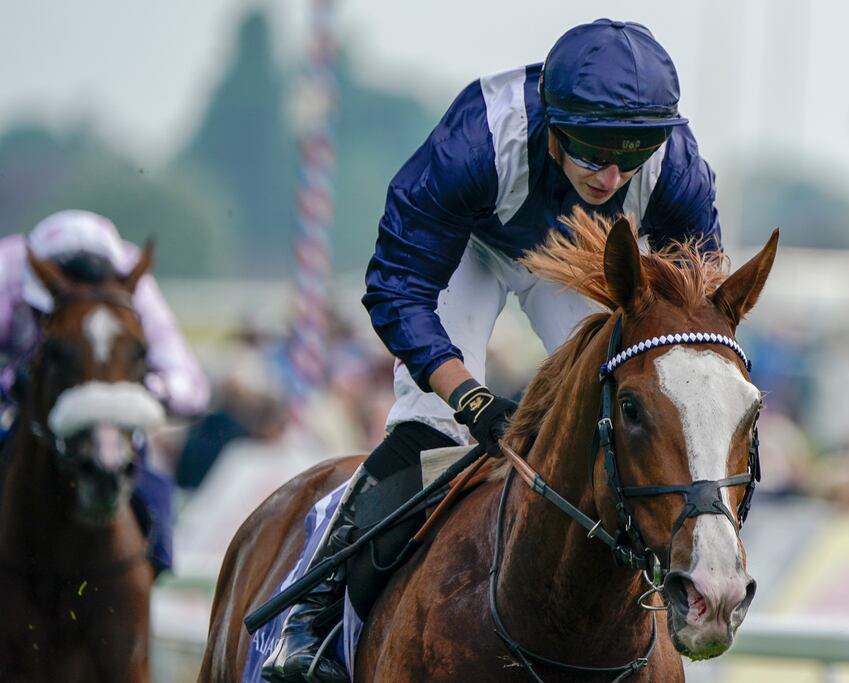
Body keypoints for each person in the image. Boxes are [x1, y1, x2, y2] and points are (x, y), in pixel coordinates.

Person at [264, 18, 724, 682]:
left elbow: (695, 319)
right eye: (592, 151)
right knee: (430, 423)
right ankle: (312, 614)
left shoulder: (674, 166)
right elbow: (396, 287)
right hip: (469, 251)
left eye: (631, 155)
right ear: (553, 127)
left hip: (582, 261)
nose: (611, 174)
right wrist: (468, 395)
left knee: (625, 404)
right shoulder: (478, 140)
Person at [0, 209, 210, 576]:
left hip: (110, 422)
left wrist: (137, 393)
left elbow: (191, 385)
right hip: (20, 413)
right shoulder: (8, 271)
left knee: (157, 510)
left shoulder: (132, 277)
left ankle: (154, 568)